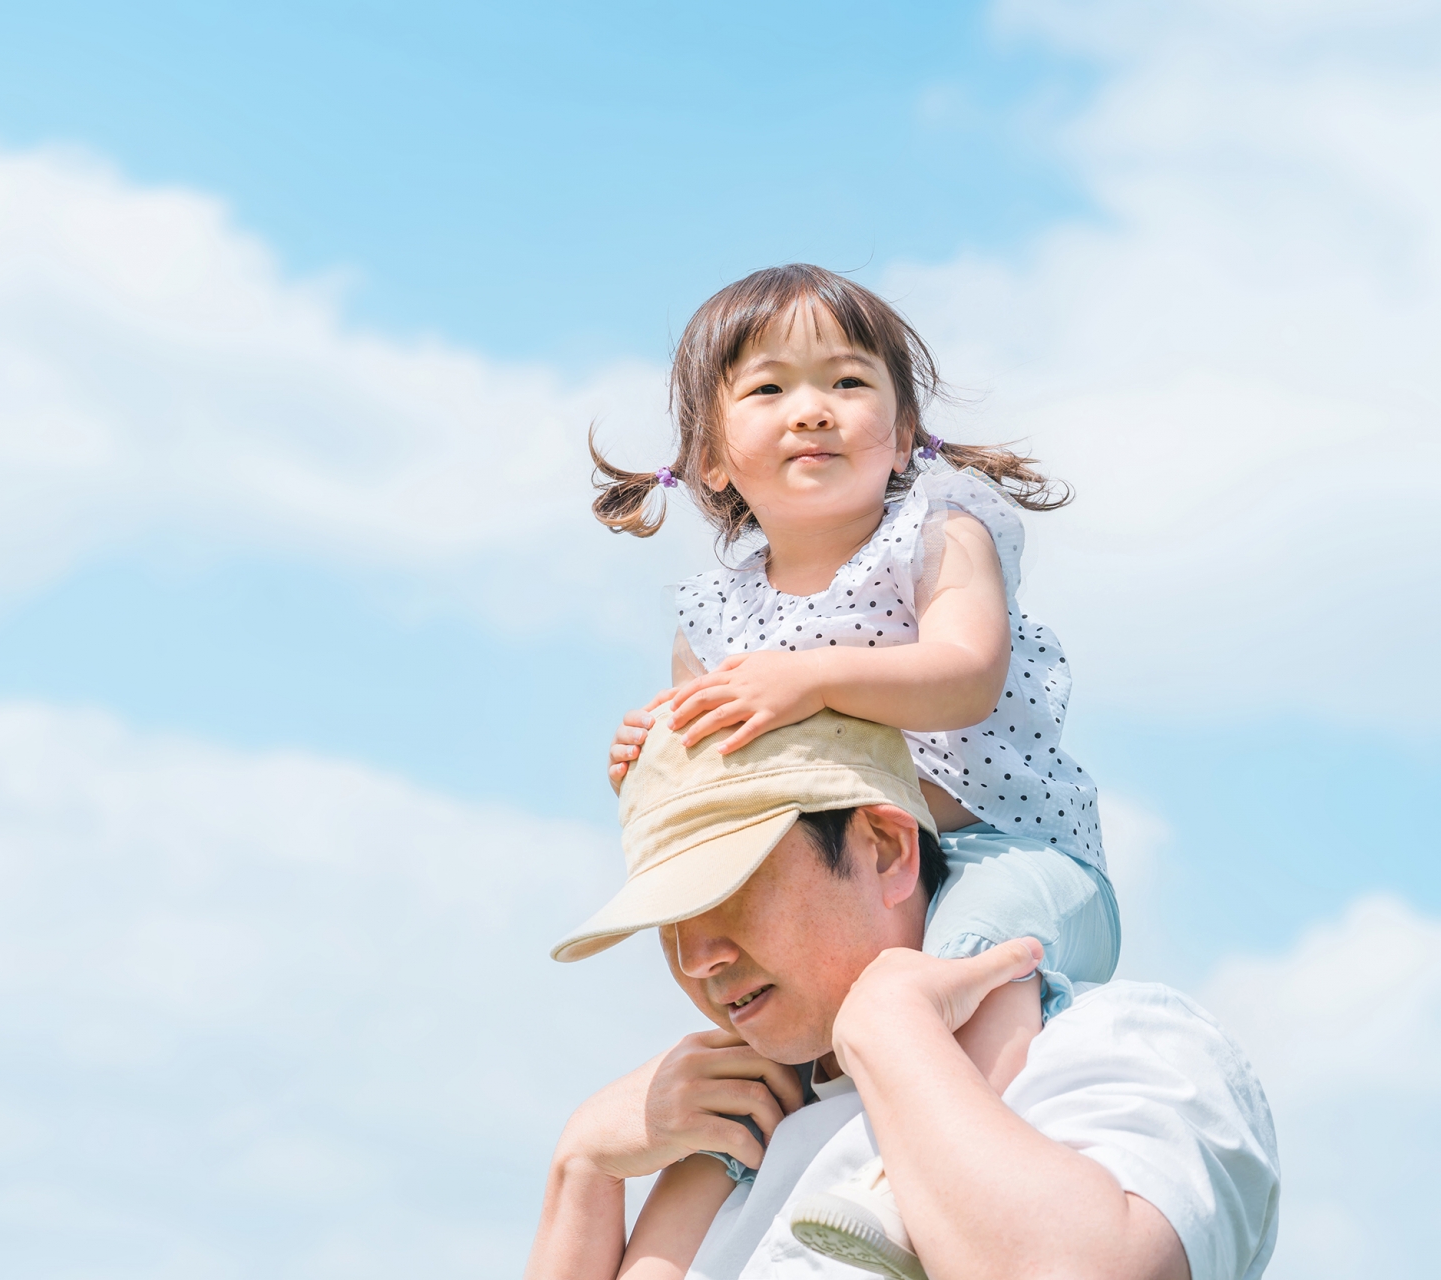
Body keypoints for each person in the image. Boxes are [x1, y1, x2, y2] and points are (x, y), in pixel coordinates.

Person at [592, 264, 1117, 1270]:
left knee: (969, 969)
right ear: (709, 456)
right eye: (769, 389)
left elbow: (965, 673)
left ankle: (926, 1174)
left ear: (903, 426)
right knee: (766, 1067)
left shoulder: (937, 531)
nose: (813, 412)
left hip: (999, 848)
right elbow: (718, 758)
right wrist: (650, 744)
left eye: (847, 382)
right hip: (857, 883)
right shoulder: (714, 611)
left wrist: (807, 676)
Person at [525, 710, 1279, 1280]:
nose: (697, 960)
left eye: (730, 892)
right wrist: (582, 1170)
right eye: (668, 924)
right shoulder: (724, 1142)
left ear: (886, 849)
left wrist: (892, 1033)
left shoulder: (1125, 1045)